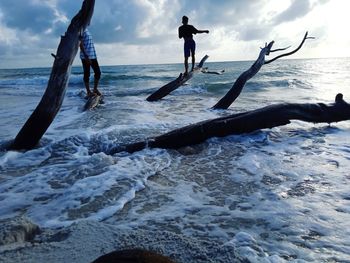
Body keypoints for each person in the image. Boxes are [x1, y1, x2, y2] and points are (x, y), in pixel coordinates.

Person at [79, 28, 101, 97]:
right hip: (86, 56)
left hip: (93, 55)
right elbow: (80, 43)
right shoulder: (81, 30)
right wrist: (86, 56)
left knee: (98, 72)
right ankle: (88, 91)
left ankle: (95, 89)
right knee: (87, 74)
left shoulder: (87, 30)